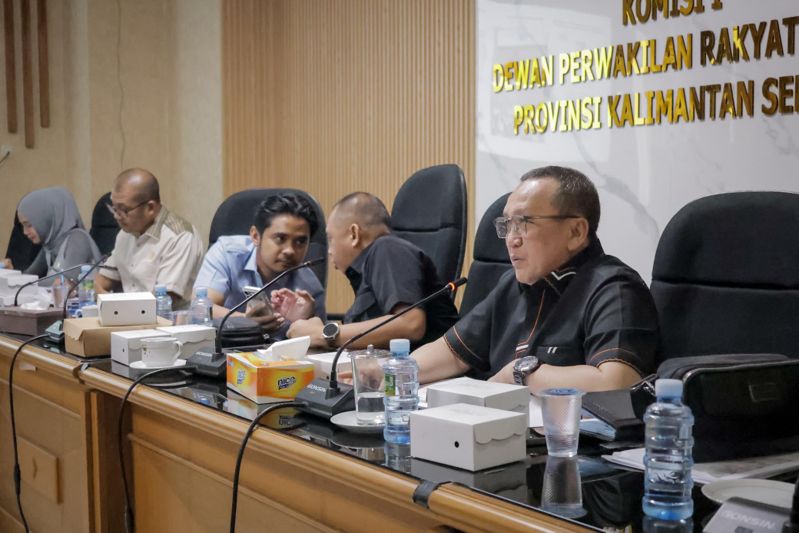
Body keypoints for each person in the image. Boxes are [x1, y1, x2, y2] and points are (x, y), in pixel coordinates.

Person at [412, 166, 659, 393]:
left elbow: (616, 382)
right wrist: (396, 370)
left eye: (523, 223)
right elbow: (452, 354)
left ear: (576, 232)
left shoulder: (614, 288)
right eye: (507, 225)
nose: (511, 239)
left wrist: (518, 373)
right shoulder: (512, 284)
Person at [287, 192, 459, 349]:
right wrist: (310, 323)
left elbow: (410, 324)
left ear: (354, 234)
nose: (329, 250)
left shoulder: (387, 248)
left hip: (432, 370)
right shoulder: (370, 268)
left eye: (330, 238)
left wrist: (324, 333)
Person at [192, 193, 326, 336]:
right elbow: (200, 309)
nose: (290, 250)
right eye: (280, 238)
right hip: (224, 346)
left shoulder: (309, 289)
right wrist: (245, 322)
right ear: (256, 236)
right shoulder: (227, 254)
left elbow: (320, 342)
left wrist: (304, 321)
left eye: (300, 242)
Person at [94, 168, 204, 309]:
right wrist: (109, 303)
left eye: (124, 210)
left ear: (150, 207)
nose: (116, 216)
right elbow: (100, 282)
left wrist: (116, 306)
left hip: (168, 320)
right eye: (114, 208)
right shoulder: (125, 234)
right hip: (127, 316)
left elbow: (164, 300)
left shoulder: (180, 237)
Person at [6, 187, 101, 278]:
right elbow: (30, 276)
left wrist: (22, 281)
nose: (25, 232)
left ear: (46, 218)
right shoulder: (49, 245)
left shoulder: (78, 239)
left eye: (29, 225)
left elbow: (62, 280)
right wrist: (11, 273)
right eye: (23, 225)